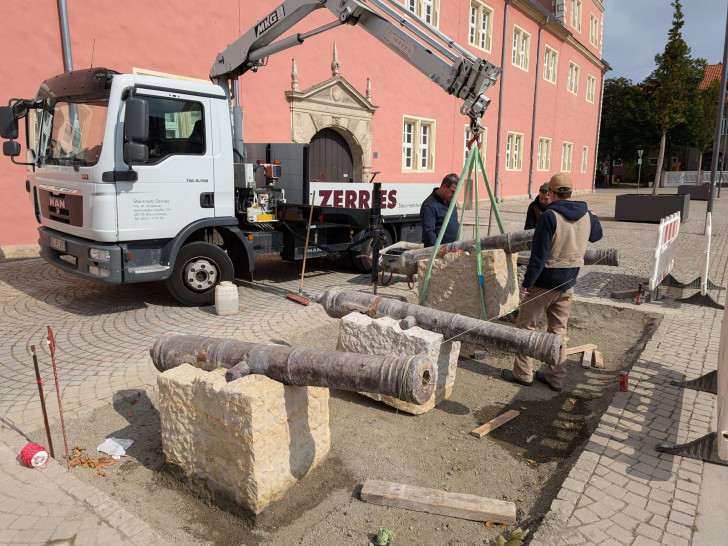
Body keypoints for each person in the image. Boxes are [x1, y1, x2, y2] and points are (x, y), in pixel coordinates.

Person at [501, 173, 603, 392]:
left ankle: (523, 373)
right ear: (570, 191)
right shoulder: (586, 214)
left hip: (545, 281)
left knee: (525, 327)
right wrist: (594, 217)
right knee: (558, 331)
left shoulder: (549, 216)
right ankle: (555, 377)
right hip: (568, 282)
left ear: (553, 192)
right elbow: (597, 236)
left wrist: (527, 282)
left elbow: (539, 255)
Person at [420, 173, 460, 247]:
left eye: (457, 193)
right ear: (444, 186)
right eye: (453, 192)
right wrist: (436, 252)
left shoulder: (451, 201)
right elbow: (429, 233)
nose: (454, 196)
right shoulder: (429, 205)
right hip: (439, 252)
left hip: (453, 248)